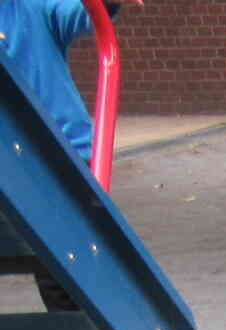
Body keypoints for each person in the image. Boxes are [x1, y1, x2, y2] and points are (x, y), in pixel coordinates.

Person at [0, 0, 141, 307]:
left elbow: (71, 12)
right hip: (10, 165)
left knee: (67, 274)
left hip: (58, 154)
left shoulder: (26, 8)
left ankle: (88, 329)